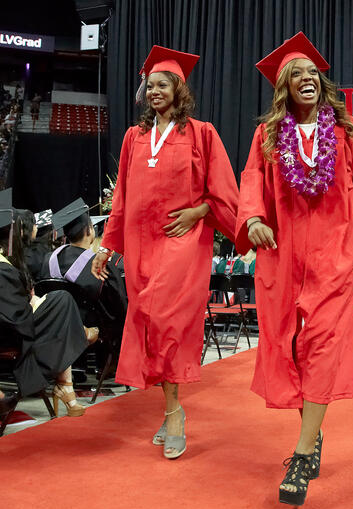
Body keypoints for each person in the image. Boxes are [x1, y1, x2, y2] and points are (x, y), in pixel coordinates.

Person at [234, 32, 353, 506]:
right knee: (291, 350)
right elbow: (252, 182)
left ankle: (301, 456)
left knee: (323, 346)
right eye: (295, 74)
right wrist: (254, 218)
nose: (306, 79)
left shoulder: (349, 132)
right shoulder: (268, 136)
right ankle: (313, 429)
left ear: (322, 83)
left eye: (312, 74)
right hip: (282, 258)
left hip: (333, 257)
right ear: (283, 87)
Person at [91, 46, 239, 460]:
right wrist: (107, 248)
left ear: (179, 89)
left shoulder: (202, 133)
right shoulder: (133, 138)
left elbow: (223, 192)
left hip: (182, 243)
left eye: (163, 84)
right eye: (150, 85)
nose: (155, 90)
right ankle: (171, 407)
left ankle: (175, 414)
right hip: (141, 245)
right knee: (150, 325)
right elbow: (121, 197)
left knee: (167, 321)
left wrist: (198, 210)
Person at [0, 189, 94, 417]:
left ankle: (67, 382)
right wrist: (33, 305)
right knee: (62, 302)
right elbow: (19, 319)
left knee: (57, 305)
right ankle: (69, 373)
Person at [40, 198, 128, 347]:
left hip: (55, 326)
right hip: (92, 331)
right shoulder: (101, 265)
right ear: (89, 230)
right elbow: (119, 307)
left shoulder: (48, 259)